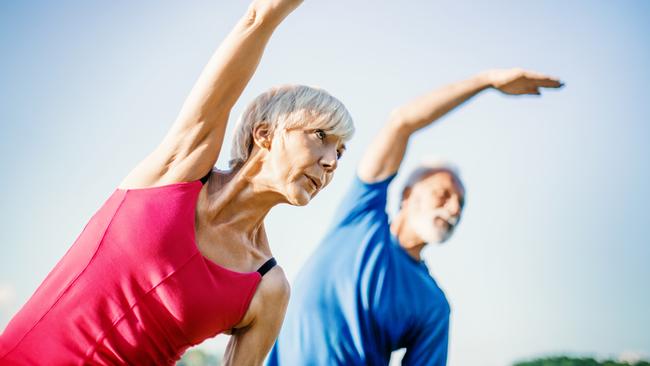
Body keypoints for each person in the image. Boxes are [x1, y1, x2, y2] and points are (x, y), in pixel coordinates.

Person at [0, 0, 354, 365]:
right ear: (264, 134)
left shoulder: (268, 287)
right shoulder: (178, 170)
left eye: (340, 153)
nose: (330, 162)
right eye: (320, 136)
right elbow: (256, 20)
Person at [268, 68, 563, 365]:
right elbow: (402, 122)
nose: (454, 209)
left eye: (461, 203)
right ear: (408, 195)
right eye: (443, 195)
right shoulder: (361, 215)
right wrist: (485, 82)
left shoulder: (434, 306)